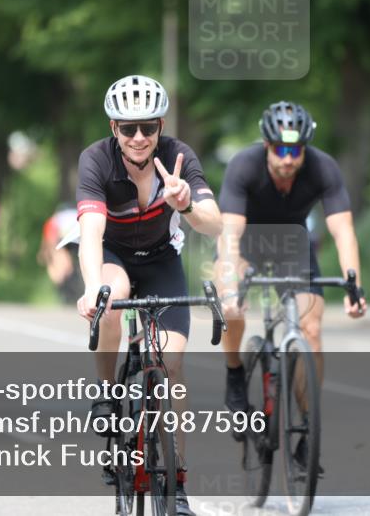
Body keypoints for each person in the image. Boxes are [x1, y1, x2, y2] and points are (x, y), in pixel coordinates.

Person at [74, 75, 222, 516]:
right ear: (113, 128)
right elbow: (90, 233)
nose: (139, 137)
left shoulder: (179, 157)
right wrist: (90, 287)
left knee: (172, 367)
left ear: (161, 126)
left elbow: (214, 224)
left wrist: (186, 204)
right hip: (112, 254)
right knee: (111, 298)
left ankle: (177, 487)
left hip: (161, 259)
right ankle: (105, 393)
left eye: (148, 128)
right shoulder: (96, 160)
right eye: (128, 128)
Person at [215, 101, 366, 475]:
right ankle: (235, 374)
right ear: (267, 145)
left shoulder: (323, 167)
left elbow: (343, 230)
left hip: (295, 248)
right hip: (247, 244)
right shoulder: (243, 165)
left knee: (311, 329)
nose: (287, 158)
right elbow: (229, 234)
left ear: (305, 148)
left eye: (295, 150)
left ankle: (307, 432)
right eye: (280, 149)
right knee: (230, 307)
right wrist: (232, 282)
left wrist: (354, 285)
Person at [38, 205, 82, 302]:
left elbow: (50, 243)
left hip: (67, 236)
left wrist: (45, 255)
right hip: (78, 233)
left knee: (59, 265)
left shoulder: (53, 221)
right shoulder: (70, 215)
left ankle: (64, 285)